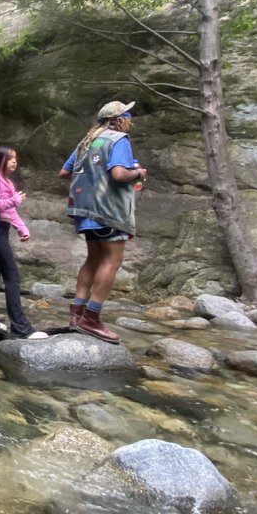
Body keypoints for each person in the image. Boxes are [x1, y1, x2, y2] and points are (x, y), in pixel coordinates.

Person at [59, 101, 146, 344]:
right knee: (112, 259)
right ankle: (92, 317)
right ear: (118, 119)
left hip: (84, 208)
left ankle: (77, 314)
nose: (130, 119)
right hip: (108, 209)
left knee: (93, 258)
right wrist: (138, 173)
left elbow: (65, 172)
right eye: (127, 115)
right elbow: (119, 174)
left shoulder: (88, 140)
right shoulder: (118, 140)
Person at [0, 147, 48, 340]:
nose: (15, 162)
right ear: (0, 160)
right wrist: (14, 200)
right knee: (12, 276)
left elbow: (11, 212)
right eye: (10, 159)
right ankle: (21, 328)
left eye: (16, 158)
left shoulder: (7, 181)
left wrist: (22, 228)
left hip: (2, 230)